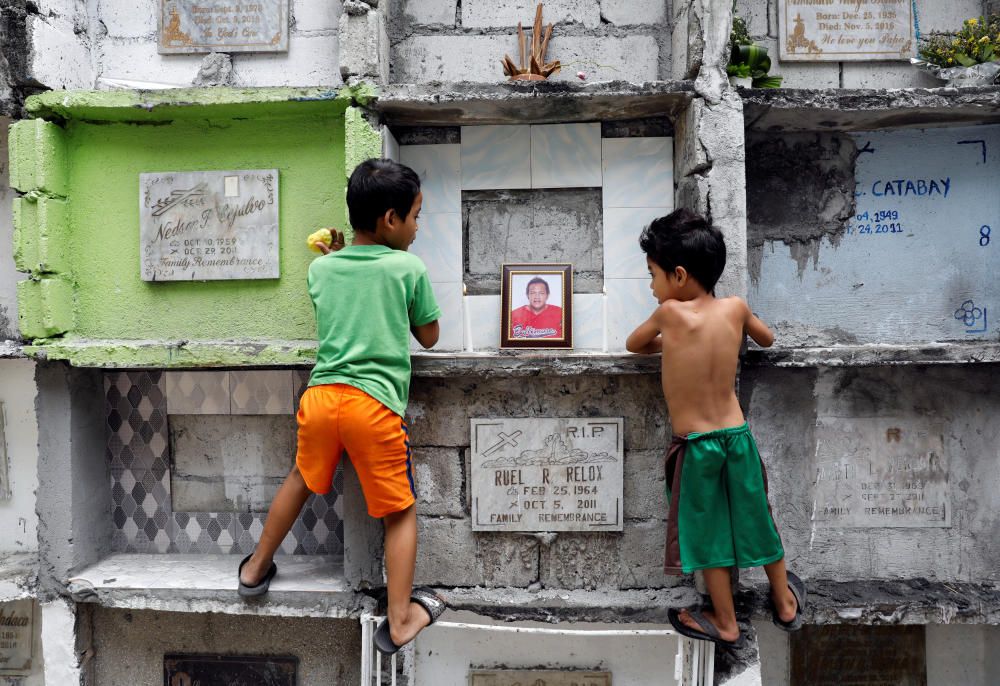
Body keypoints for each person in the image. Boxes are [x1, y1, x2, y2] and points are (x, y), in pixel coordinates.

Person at [236, 158, 447, 655]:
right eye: (416, 216)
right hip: (372, 406)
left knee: (301, 478)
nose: (418, 228)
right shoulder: (408, 267)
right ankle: (399, 620)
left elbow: (340, 299)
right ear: (391, 219)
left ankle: (254, 568)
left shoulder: (321, 268)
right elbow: (430, 336)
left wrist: (335, 256)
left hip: (320, 397)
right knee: (398, 511)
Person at [625, 208, 805, 649]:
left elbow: (634, 345)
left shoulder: (669, 315)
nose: (652, 287)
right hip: (737, 439)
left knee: (709, 538)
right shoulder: (736, 308)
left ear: (679, 275)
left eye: (653, 276)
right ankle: (784, 603)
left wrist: (673, 341)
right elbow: (767, 338)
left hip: (697, 447)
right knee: (757, 518)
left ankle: (725, 622)